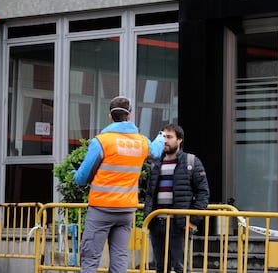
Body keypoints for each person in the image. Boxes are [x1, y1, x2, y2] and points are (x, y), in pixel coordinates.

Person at [73, 96, 165, 273]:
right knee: (120, 259)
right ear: (129, 116)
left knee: (90, 258)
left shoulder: (102, 141)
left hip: (101, 208)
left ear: (110, 116)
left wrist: (75, 175)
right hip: (126, 210)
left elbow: (81, 178)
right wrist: (161, 137)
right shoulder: (141, 141)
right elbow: (155, 152)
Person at [143, 123, 210, 273]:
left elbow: (203, 193)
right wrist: (148, 216)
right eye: (163, 136)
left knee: (180, 266)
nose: (165, 140)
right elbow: (149, 193)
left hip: (179, 223)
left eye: (169, 137)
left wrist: (193, 221)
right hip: (157, 222)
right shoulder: (155, 163)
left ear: (179, 140)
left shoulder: (192, 161)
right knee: (160, 267)